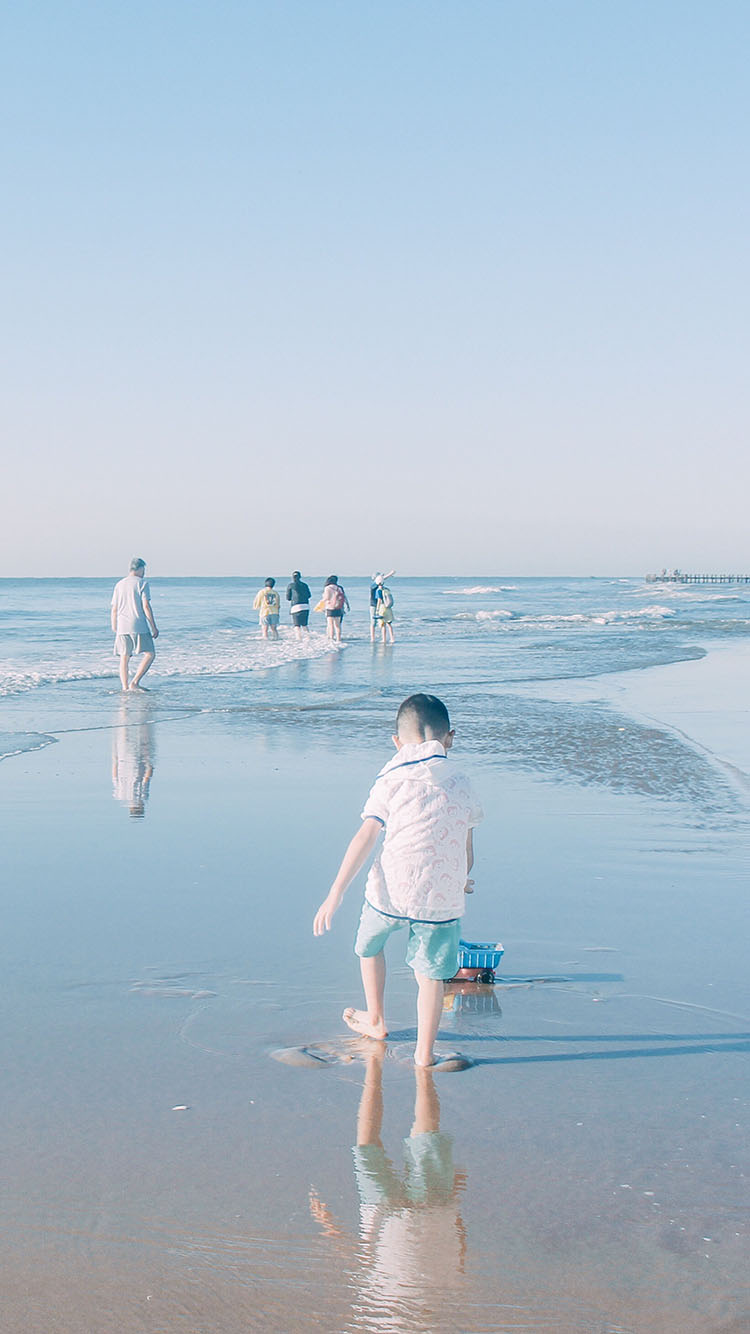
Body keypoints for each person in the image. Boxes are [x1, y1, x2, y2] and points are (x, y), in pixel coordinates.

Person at [313, 693, 482, 1069]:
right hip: (441, 895)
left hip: (392, 888)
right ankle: (425, 1053)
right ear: (450, 738)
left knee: (369, 946)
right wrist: (463, 878)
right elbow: (465, 843)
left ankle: (375, 1018)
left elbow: (366, 835)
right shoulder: (462, 782)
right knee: (431, 976)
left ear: (396, 742)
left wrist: (335, 891)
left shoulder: (391, 780)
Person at [110, 557, 159, 691]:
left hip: (122, 627)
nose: (144, 573)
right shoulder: (142, 583)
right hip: (138, 625)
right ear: (140, 568)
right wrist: (154, 627)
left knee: (124, 657)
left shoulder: (119, 584)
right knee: (150, 654)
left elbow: (114, 608)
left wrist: (114, 626)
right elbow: (146, 606)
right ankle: (135, 682)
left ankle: (125, 687)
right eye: (144, 569)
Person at [321, 575, 350, 642]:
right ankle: (338, 639)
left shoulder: (327, 588)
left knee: (330, 625)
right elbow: (344, 597)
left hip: (330, 608)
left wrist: (321, 603)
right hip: (338, 608)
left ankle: (331, 639)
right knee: (338, 625)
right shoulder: (339, 588)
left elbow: (327, 598)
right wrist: (348, 605)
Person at [369, 570, 395, 642]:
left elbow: (380, 581)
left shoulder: (380, 589)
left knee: (382, 622)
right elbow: (379, 581)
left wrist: (388, 575)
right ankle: (373, 638)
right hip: (375, 605)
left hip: (379, 606)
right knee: (374, 623)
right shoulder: (373, 586)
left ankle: (383, 638)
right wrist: (389, 574)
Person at [286, 570, 311, 637]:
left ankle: (298, 639)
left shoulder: (290, 585)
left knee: (297, 626)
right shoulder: (305, 585)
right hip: (305, 606)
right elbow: (309, 595)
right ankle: (308, 637)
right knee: (305, 625)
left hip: (296, 607)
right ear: (300, 577)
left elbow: (288, 598)